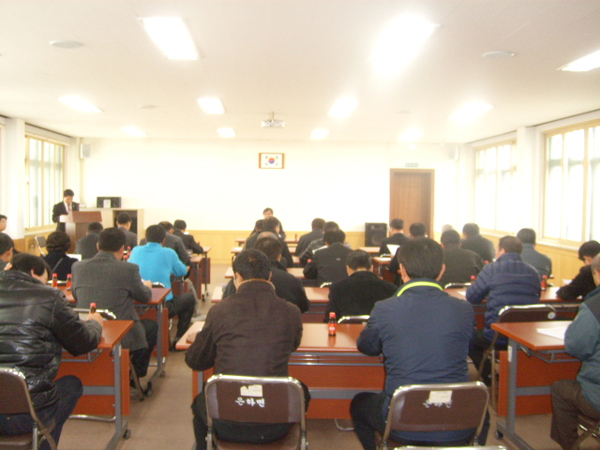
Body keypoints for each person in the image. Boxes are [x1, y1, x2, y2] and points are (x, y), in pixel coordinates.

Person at [350, 238, 475, 449]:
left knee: (359, 404)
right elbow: (463, 347)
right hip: (456, 418)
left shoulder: (385, 308)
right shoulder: (464, 309)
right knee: (483, 414)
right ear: (442, 270)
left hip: (401, 421)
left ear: (402, 269)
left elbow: (367, 347)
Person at [185, 249, 305, 449]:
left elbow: (196, 361)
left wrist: (204, 339)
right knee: (302, 391)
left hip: (226, 422)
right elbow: (292, 345)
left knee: (200, 403)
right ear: (270, 276)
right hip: (276, 424)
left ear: (237, 277)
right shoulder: (291, 312)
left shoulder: (220, 310)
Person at [0, 253, 103, 449]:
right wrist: (94, 323)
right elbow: (83, 343)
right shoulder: (48, 297)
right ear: (34, 273)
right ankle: (43, 442)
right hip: (24, 415)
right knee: (71, 385)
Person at [72, 227, 157, 380]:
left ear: (98, 246)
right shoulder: (129, 269)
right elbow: (144, 297)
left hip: (86, 328)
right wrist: (148, 287)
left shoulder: (78, 267)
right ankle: (135, 374)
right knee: (151, 326)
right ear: (122, 248)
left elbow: (75, 295)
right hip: (119, 330)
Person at [466, 235, 541, 383]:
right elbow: (537, 297)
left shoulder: (491, 269)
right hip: (525, 336)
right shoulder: (533, 271)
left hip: (497, 336)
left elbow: (472, 297)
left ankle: (490, 377)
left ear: (502, 250)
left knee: (469, 338)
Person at [551, 254, 600, 450]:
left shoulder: (595, 306)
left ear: (597, 274)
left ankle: (570, 445)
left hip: (597, 397)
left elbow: (577, 347)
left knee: (560, 388)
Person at [129, 225, 195, 346]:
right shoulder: (169, 253)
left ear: (146, 238)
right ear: (164, 240)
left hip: (137, 303)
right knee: (189, 299)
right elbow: (182, 271)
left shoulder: (135, 251)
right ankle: (179, 338)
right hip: (164, 305)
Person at [326, 249, 397, 320]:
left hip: (348, 327)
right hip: (378, 327)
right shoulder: (390, 288)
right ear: (372, 268)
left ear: (348, 268)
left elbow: (331, 318)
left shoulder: (337, 288)